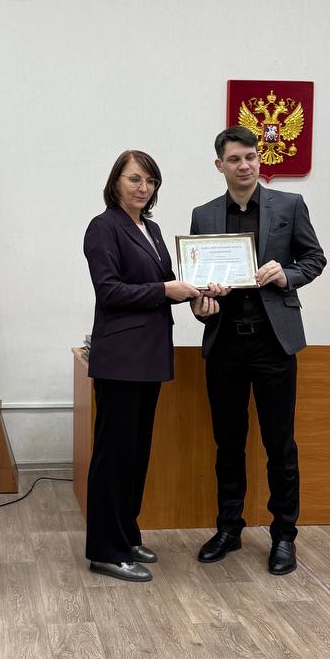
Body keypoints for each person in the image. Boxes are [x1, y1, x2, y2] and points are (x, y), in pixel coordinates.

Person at [190, 126, 326, 574]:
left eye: (250, 157)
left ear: (259, 159)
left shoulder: (289, 205)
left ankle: (284, 535)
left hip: (273, 342)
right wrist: (200, 305)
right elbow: (197, 284)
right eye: (234, 159)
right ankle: (229, 528)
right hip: (225, 342)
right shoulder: (204, 215)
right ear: (220, 165)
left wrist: (287, 275)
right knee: (228, 443)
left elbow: (314, 259)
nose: (244, 165)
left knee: (279, 444)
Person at [83, 150, 200, 581]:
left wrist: (199, 294)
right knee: (114, 457)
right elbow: (110, 291)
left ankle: (127, 535)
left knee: (135, 455)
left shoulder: (151, 229)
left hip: (149, 357)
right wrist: (167, 290)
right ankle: (105, 551)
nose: (142, 187)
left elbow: (167, 286)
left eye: (150, 181)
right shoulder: (103, 227)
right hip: (120, 359)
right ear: (116, 181)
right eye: (134, 179)